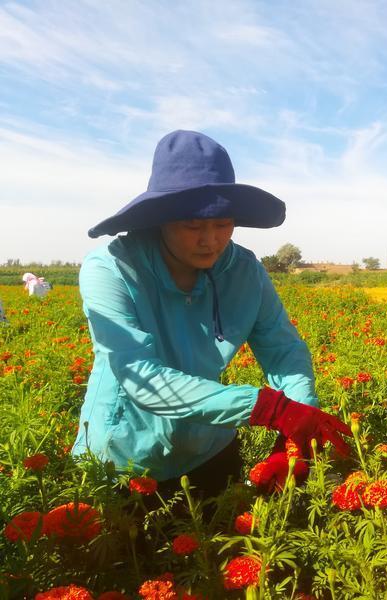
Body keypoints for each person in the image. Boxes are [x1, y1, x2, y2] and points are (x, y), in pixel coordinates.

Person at [72, 129, 351, 497]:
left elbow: (283, 350)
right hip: (125, 457)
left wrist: (295, 426)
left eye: (222, 224)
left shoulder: (245, 271)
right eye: (193, 226)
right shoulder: (111, 269)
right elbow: (140, 375)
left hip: (210, 448)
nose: (210, 240)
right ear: (161, 220)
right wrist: (268, 407)